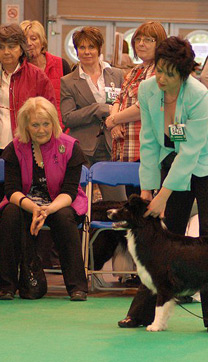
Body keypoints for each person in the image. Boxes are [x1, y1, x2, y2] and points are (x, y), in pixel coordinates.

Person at [117, 36, 208, 333]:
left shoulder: (197, 95)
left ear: (184, 74)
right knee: (161, 234)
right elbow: (148, 143)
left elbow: (190, 154)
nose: (161, 78)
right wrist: (147, 192)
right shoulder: (147, 90)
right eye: (159, 69)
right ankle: (143, 313)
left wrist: (164, 195)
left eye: (169, 73)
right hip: (174, 158)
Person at [0, 97, 88, 301]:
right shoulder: (14, 148)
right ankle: (6, 286)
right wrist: (34, 208)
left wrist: (47, 210)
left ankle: (77, 287)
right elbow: (11, 190)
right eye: (35, 125)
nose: (41, 130)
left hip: (60, 202)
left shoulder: (71, 147)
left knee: (64, 217)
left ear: (54, 123)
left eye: (46, 124)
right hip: (24, 202)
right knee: (10, 214)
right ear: (26, 126)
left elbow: (70, 191)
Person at [60, 26, 126, 201]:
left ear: (99, 49)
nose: (87, 52)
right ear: (76, 51)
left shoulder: (118, 75)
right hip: (82, 149)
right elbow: (67, 118)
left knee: (118, 203)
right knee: (76, 202)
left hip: (112, 146)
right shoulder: (68, 81)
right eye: (82, 47)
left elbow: (126, 107)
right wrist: (99, 108)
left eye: (91, 47)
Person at [0, 23, 56, 201]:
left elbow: (50, 114)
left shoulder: (37, 76)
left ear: (21, 49)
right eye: (1, 47)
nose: (6, 52)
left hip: (25, 147)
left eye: (12, 46)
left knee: (16, 203)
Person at [105, 21, 167, 168]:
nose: (140, 44)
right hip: (125, 148)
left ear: (159, 44)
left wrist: (113, 120)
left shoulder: (161, 71)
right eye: (138, 40)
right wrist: (114, 123)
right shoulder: (134, 71)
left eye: (148, 40)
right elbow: (118, 100)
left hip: (145, 151)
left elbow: (144, 107)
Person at [20, 20, 71, 127]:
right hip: (30, 130)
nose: (29, 43)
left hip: (60, 129)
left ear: (42, 41)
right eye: (24, 40)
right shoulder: (19, 70)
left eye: (34, 39)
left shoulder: (62, 64)